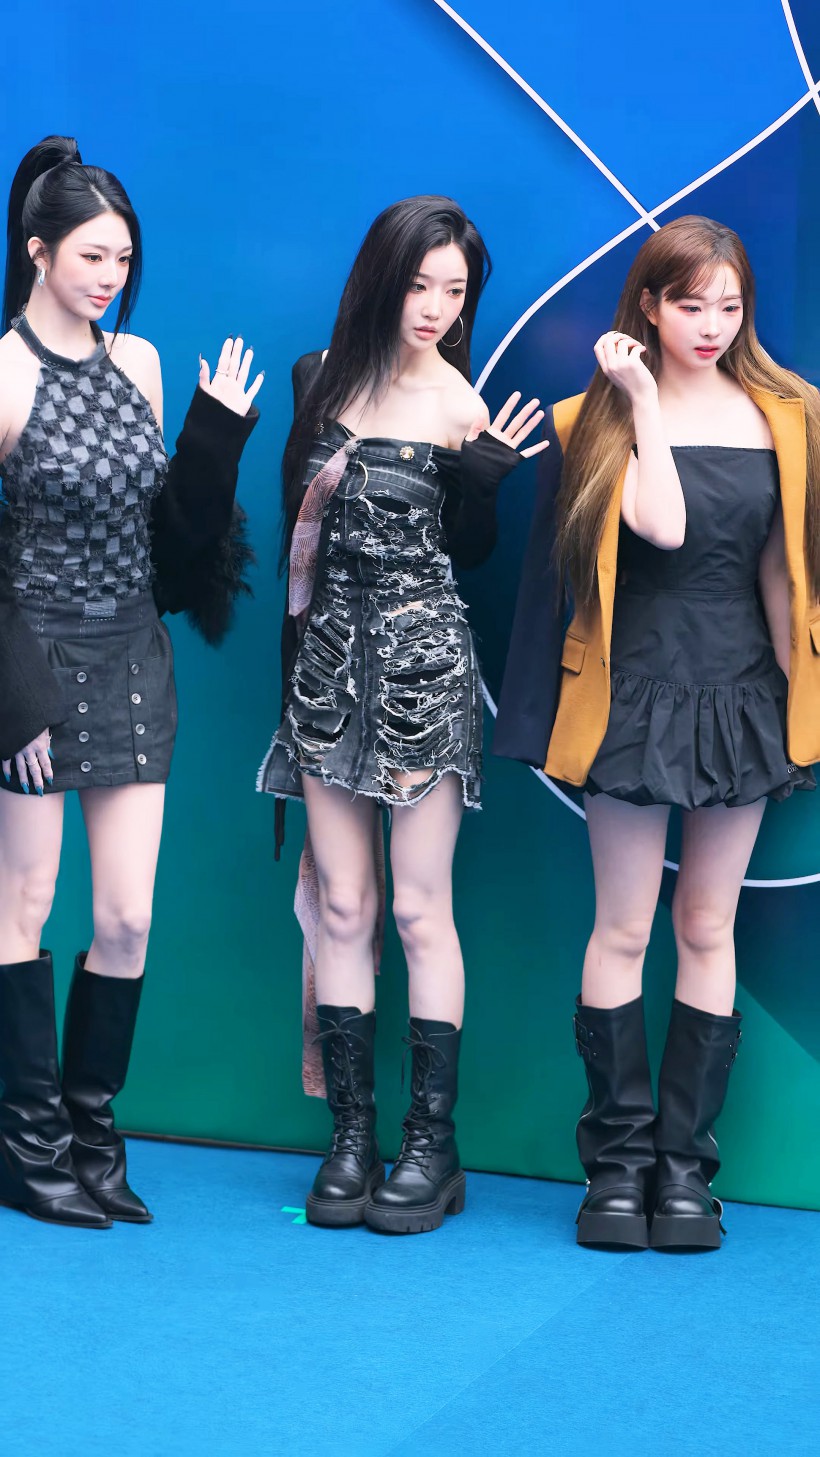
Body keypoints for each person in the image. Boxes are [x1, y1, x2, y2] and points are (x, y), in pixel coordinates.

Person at [495, 214, 820, 1250]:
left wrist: (802, 708)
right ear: (648, 304)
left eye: (729, 305)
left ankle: (685, 1173)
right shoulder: (589, 419)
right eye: (690, 305)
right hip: (629, 692)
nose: (712, 325)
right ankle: (617, 1168)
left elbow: (779, 573)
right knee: (624, 927)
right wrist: (639, 401)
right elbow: (665, 526)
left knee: (708, 925)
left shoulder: (788, 415)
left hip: (742, 695)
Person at [258, 195, 546, 1234]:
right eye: (420, 283)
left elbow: (470, 553)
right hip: (327, 666)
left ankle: (432, 1147)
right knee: (344, 905)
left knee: (420, 909)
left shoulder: (463, 404)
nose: (435, 306)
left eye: (455, 290)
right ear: (382, 277)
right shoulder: (318, 378)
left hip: (424, 667)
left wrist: (483, 483)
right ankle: (349, 1136)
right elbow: (294, 535)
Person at [0, 135, 262, 1229]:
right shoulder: (5, 372)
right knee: (21, 905)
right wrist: (15, 700)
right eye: (92, 256)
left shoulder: (141, 362)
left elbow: (173, 546)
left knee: (126, 915)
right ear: (37, 249)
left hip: (130, 655)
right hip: (29, 661)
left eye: (123, 258)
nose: (111, 277)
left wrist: (214, 438)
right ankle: (28, 1148)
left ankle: (93, 1136)